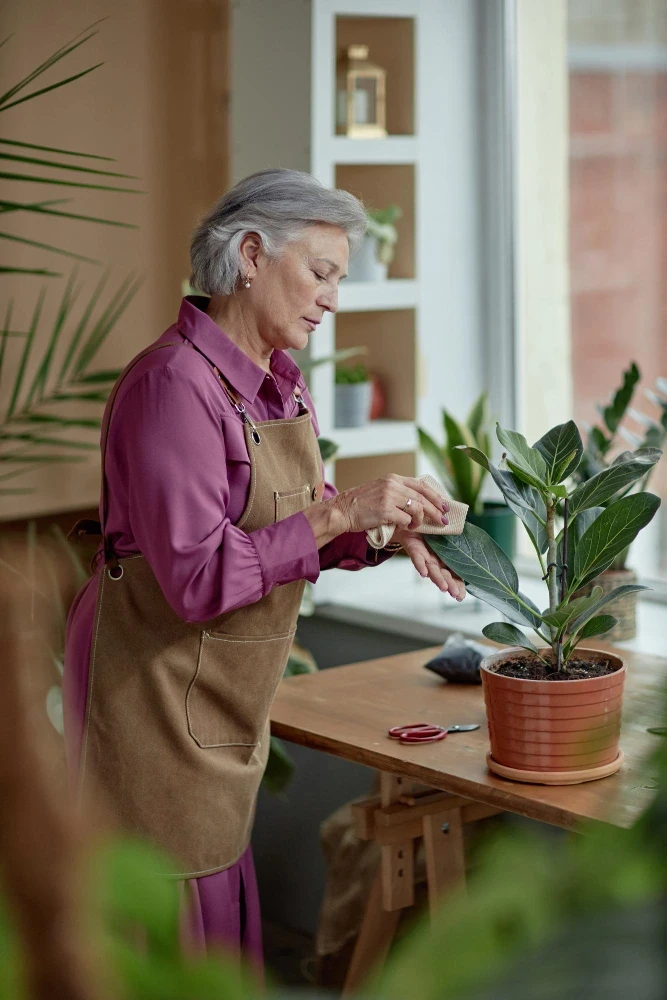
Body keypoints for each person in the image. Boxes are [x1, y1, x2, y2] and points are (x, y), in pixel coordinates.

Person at [63, 168, 465, 969]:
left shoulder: (277, 385)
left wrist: (384, 532)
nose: (332, 300)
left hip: (216, 691)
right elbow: (196, 579)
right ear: (250, 255)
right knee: (168, 903)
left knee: (212, 876)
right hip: (148, 683)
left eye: (339, 280)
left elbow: (298, 521)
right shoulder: (171, 386)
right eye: (320, 273)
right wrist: (342, 511)